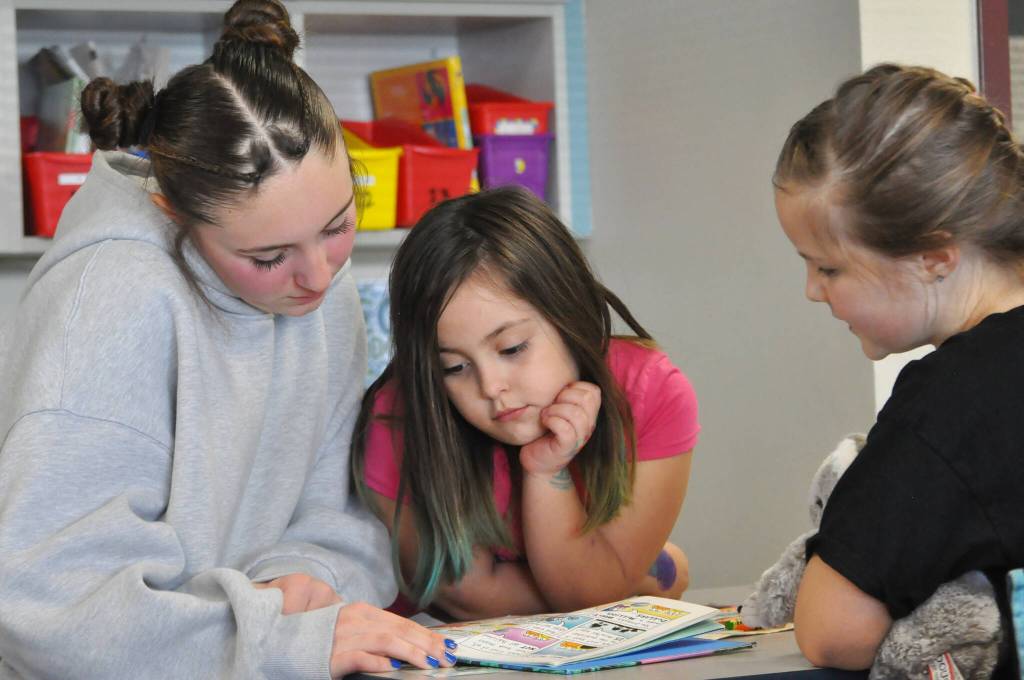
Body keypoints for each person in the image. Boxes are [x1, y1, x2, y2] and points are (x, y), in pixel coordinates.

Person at [0, 1, 456, 677]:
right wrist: (273, 641)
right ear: (172, 210)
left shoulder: (317, 285)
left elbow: (349, 509)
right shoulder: (106, 302)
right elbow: (43, 604)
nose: (319, 276)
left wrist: (303, 578)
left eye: (338, 226)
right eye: (268, 258)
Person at [773, 63, 1024, 677]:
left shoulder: (952, 404)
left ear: (935, 256)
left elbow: (833, 632)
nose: (812, 290)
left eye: (828, 268)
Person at [350, 185, 698, 620]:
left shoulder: (651, 391)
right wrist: (637, 586)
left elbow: (590, 593)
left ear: (570, 313)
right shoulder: (401, 417)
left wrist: (546, 470)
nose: (491, 386)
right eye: (453, 368)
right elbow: (471, 599)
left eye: (512, 348)